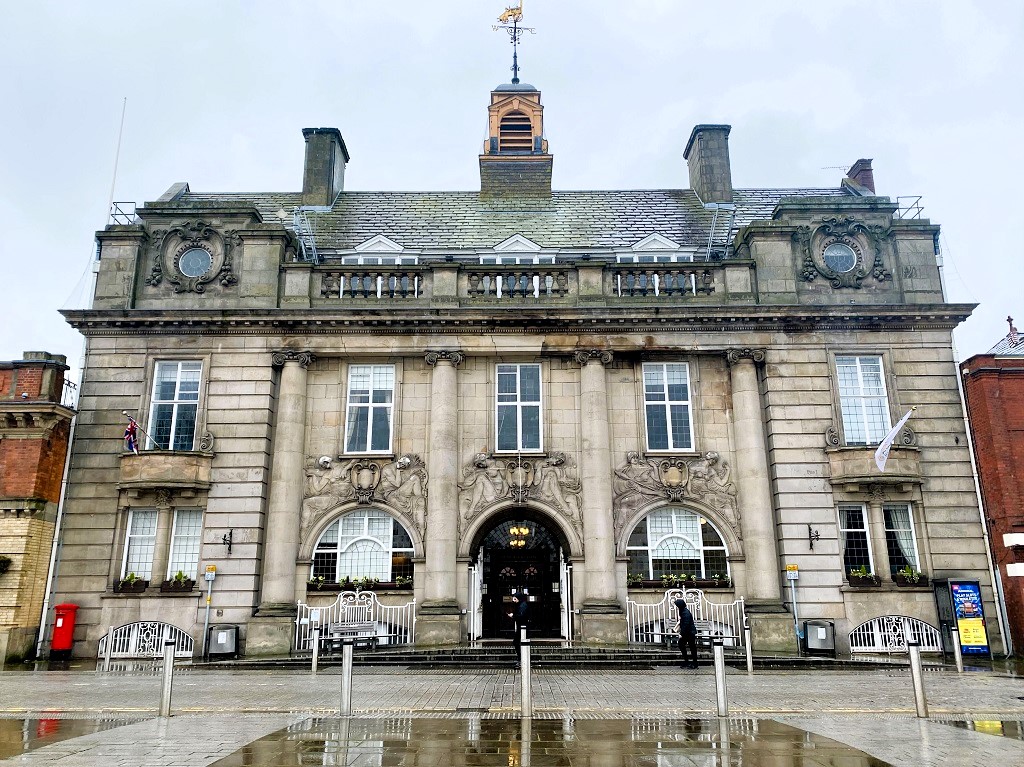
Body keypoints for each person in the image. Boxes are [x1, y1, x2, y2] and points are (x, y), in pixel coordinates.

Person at [675, 597, 698, 669]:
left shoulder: (685, 613)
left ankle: (692, 663)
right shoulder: (683, 611)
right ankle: (690, 662)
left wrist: (681, 634)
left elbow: (686, 624)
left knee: (690, 647)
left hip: (689, 633)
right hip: (688, 632)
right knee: (690, 647)